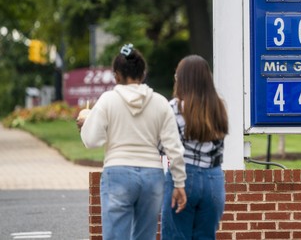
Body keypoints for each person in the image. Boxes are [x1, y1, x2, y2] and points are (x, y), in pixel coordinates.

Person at [79, 44, 187, 240]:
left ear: (116, 76)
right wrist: (179, 182)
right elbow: (174, 148)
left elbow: (92, 140)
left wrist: (86, 123)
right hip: (152, 176)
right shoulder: (160, 102)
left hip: (118, 172)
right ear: (143, 73)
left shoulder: (107, 100)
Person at [161, 55, 229, 240]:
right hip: (214, 179)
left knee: (176, 235)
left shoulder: (174, 107)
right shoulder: (218, 107)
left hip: (182, 177)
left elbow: (163, 146)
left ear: (182, 79)